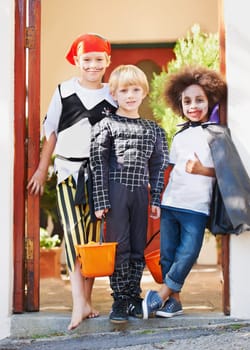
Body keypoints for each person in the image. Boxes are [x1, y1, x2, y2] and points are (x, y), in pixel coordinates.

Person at [142, 65, 250, 319]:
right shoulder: (178, 136)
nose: (193, 106)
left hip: (196, 209)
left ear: (209, 101)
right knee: (168, 255)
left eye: (199, 100)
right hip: (171, 204)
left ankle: (160, 294)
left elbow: (227, 174)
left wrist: (202, 170)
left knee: (188, 252)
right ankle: (175, 302)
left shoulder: (217, 134)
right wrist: (156, 196)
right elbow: (169, 169)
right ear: (180, 104)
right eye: (187, 101)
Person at [27, 33, 117, 330]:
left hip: (99, 177)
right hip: (67, 173)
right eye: (87, 60)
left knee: (91, 240)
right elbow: (50, 133)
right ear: (77, 61)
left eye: (98, 59)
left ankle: (87, 300)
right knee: (75, 233)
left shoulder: (113, 94)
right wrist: (42, 169)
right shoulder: (64, 91)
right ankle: (78, 303)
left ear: (108, 61)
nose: (92, 65)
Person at [90, 64, 169, 323]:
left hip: (140, 195)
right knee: (120, 247)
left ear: (144, 92)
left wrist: (156, 198)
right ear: (114, 93)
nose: (130, 95)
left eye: (135, 89)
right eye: (124, 90)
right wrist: (101, 200)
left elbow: (158, 166)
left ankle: (134, 297)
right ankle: (120, 300)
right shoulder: (106, 125)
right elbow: (98, 164)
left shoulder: (154, 130)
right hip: (115, 192)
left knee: (137, 247)